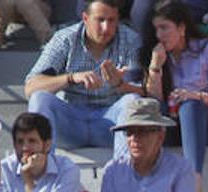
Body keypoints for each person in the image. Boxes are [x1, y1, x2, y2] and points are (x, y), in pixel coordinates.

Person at [23, 0, 142, 151]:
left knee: (132, 101)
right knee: (39, 98)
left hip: (111, 121)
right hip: (70, 121)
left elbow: (146, 92)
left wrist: (121, 85)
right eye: (100, 20)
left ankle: (123, 171)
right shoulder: (64, 39)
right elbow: (30, 88)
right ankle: (42, 168)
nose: (106, 28)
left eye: (112, 20)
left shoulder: (131, 41)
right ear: (85, 18)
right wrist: (70, 78)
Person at [142, 2, 208, 192]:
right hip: (173, 123)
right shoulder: (161, 56)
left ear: (181, 28)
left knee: (190, 106)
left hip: (205, 120)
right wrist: (155, 68)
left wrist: (197, 96)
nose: (159, 35)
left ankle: (193, 186)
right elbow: (155, 101)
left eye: (164, 28)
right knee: (150, 110)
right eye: (156, 29)